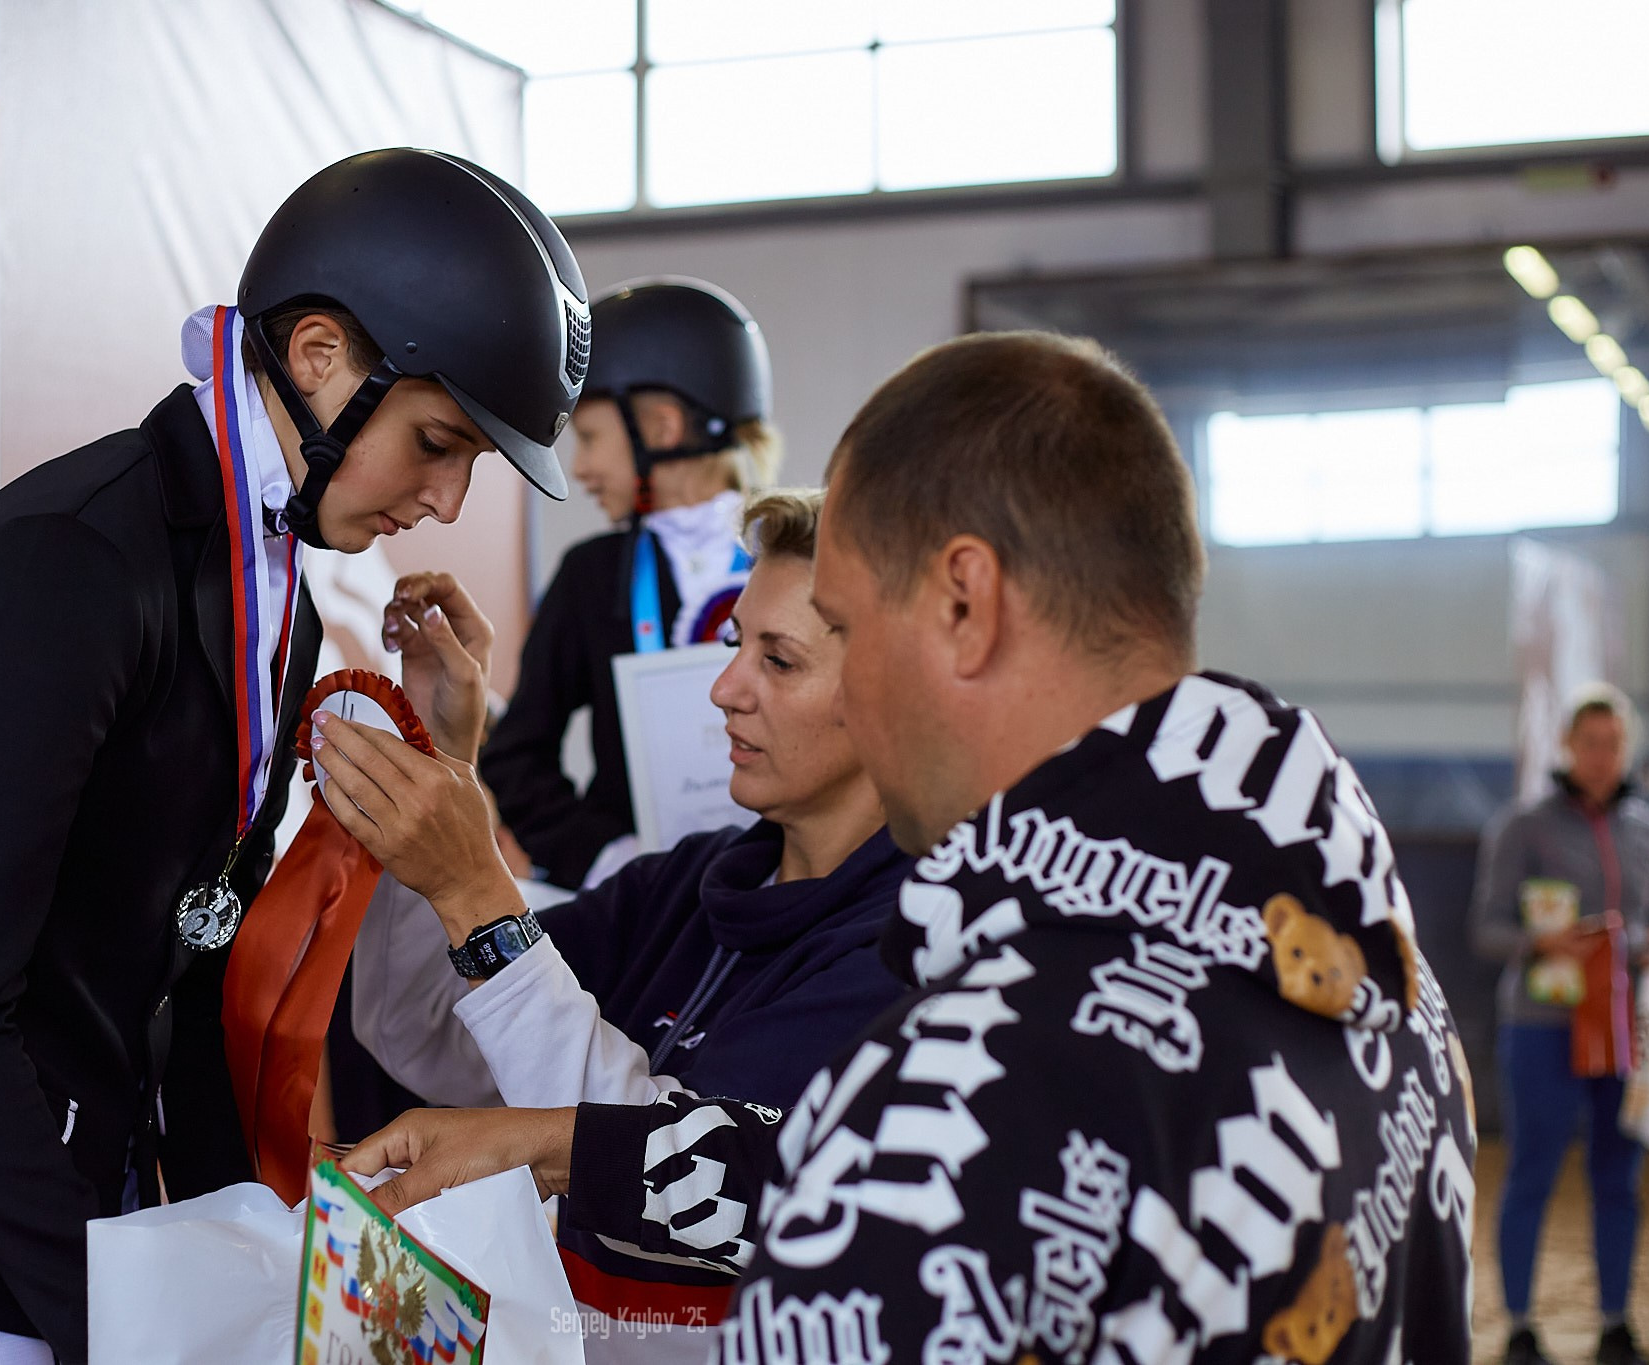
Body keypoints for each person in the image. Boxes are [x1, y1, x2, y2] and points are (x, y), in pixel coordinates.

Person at [342, 332, 1478, 1365]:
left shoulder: (957, 1089)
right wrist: (566, 1145)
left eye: (838, 629)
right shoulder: (1369, 960)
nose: (729, 694)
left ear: (963, 604)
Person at [0, 147, 589, 1365]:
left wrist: (263, 1262)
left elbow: (184, 961)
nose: (445, 502)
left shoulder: (266, 582)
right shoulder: (69, 565)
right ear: (322, 357)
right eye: (437, 441)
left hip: (56, 1214)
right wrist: (120, 1318)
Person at [339, 490, 908, 1360]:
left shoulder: (909, 949)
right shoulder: (689, 883)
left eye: (780, 661)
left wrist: (477, 890)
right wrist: (442, 766)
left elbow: (685, 1176)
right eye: (734, 646)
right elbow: (426, 1030)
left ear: (900, 695)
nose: (724, 689)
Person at [481, 278, 779, 889]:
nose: (581, 468)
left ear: (663, 426)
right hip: (642, 897)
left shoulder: (792, 560)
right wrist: (605, 859)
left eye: (589, 438)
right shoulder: (591, 577)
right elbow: (516, 757)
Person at [1472, 684, 1649, 1365]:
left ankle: (1614, 1322)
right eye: (1590, 742)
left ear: (1626, 749)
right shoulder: (1522, 825)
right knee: (1531, 1173)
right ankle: (1519, 1325)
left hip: (1619, 1027)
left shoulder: (1645, 829)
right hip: (1542, 1026)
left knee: (1617, 1175)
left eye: (1614, 744)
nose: (1602, 756)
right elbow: (1485, 930)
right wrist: (1539, 942)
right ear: (1567, 746)